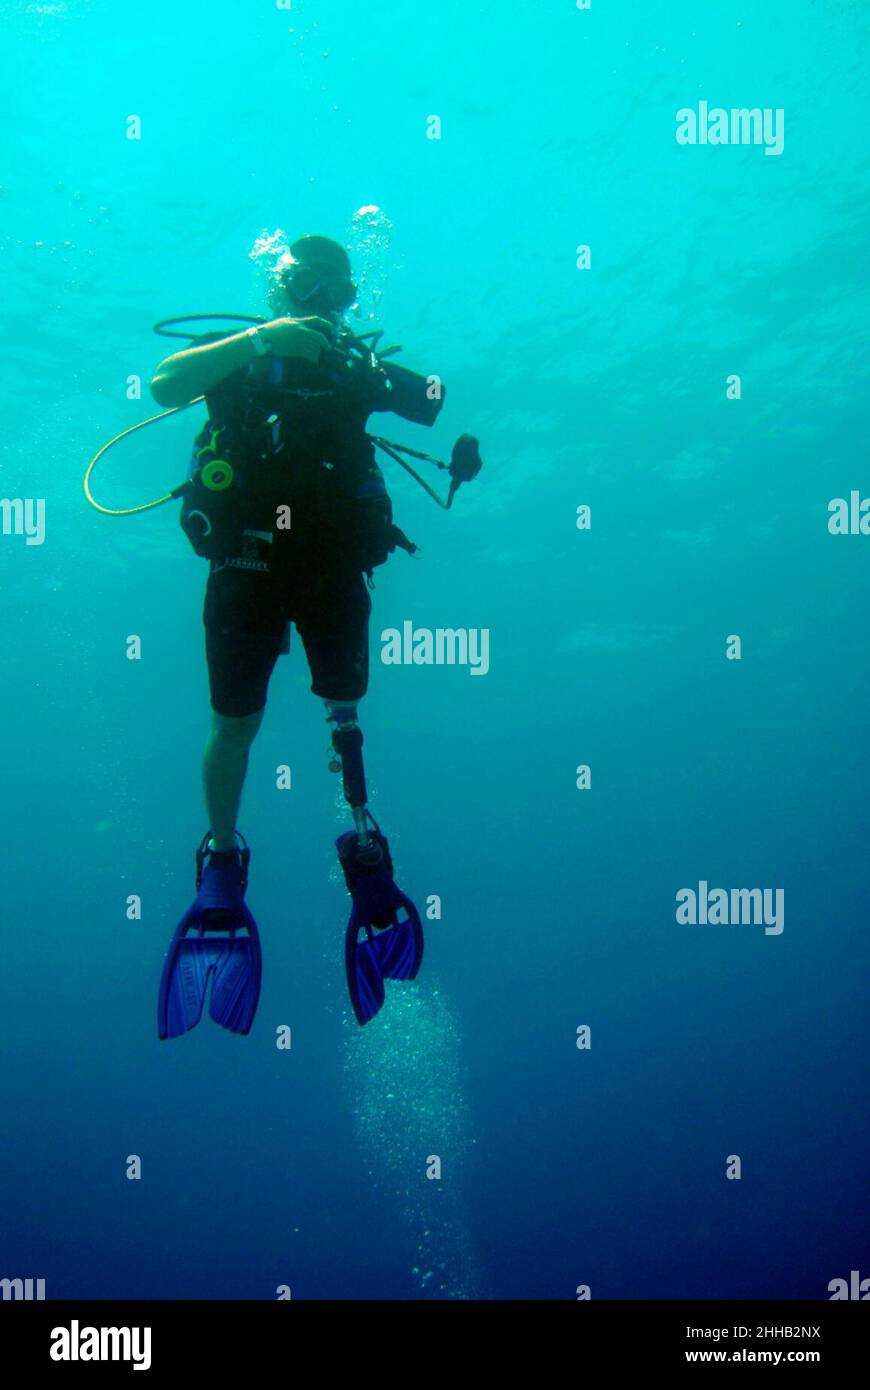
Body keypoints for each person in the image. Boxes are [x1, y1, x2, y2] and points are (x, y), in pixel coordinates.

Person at [153, 235, 442, 1036]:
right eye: (300, 286)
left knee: (344, 703)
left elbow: (433, 401)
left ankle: (363, 843)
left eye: (331, 291)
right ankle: (220, 860)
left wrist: (372, 369)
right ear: (278, 290)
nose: (314, 302)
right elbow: (162, 384)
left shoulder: (351, 364)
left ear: (348, 298)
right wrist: (260, 341)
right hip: (244, 564)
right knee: (234, 724)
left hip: (328, 567)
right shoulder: (240, 353)